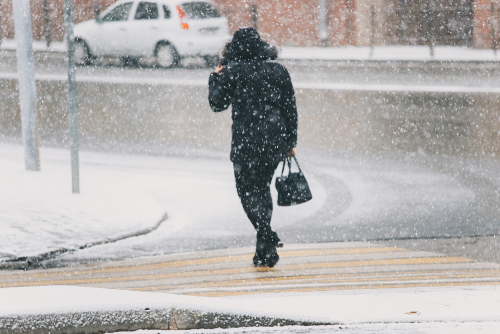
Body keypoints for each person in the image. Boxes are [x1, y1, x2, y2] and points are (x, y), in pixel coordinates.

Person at [208, 27, 298, 267]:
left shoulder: (232, 72)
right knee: (262, 189)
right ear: (262, 47)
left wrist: (215, 77)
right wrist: (291, 142)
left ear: (233, 49)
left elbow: (216, 104)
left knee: (247, 193)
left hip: (246, 141)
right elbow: (290, 108)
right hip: (274, 140)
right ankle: (264, 247)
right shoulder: (278, 70)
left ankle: (266, 234)